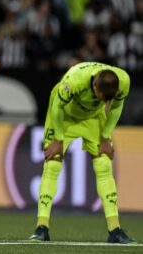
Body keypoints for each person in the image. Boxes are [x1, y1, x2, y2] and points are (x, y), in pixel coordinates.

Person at [29, 62, 137, 244]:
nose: (104, 103)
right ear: (94, 85)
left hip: (93, 118)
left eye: (106, 101)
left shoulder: (123, 80)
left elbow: (117, 107)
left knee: (104, 164)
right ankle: (42, 228)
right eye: (101, 98)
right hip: (64, 116)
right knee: (53, 164)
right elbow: (57, 107)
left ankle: (115, 230)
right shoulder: (74, 81)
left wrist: (105, 136)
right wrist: (58, 139)